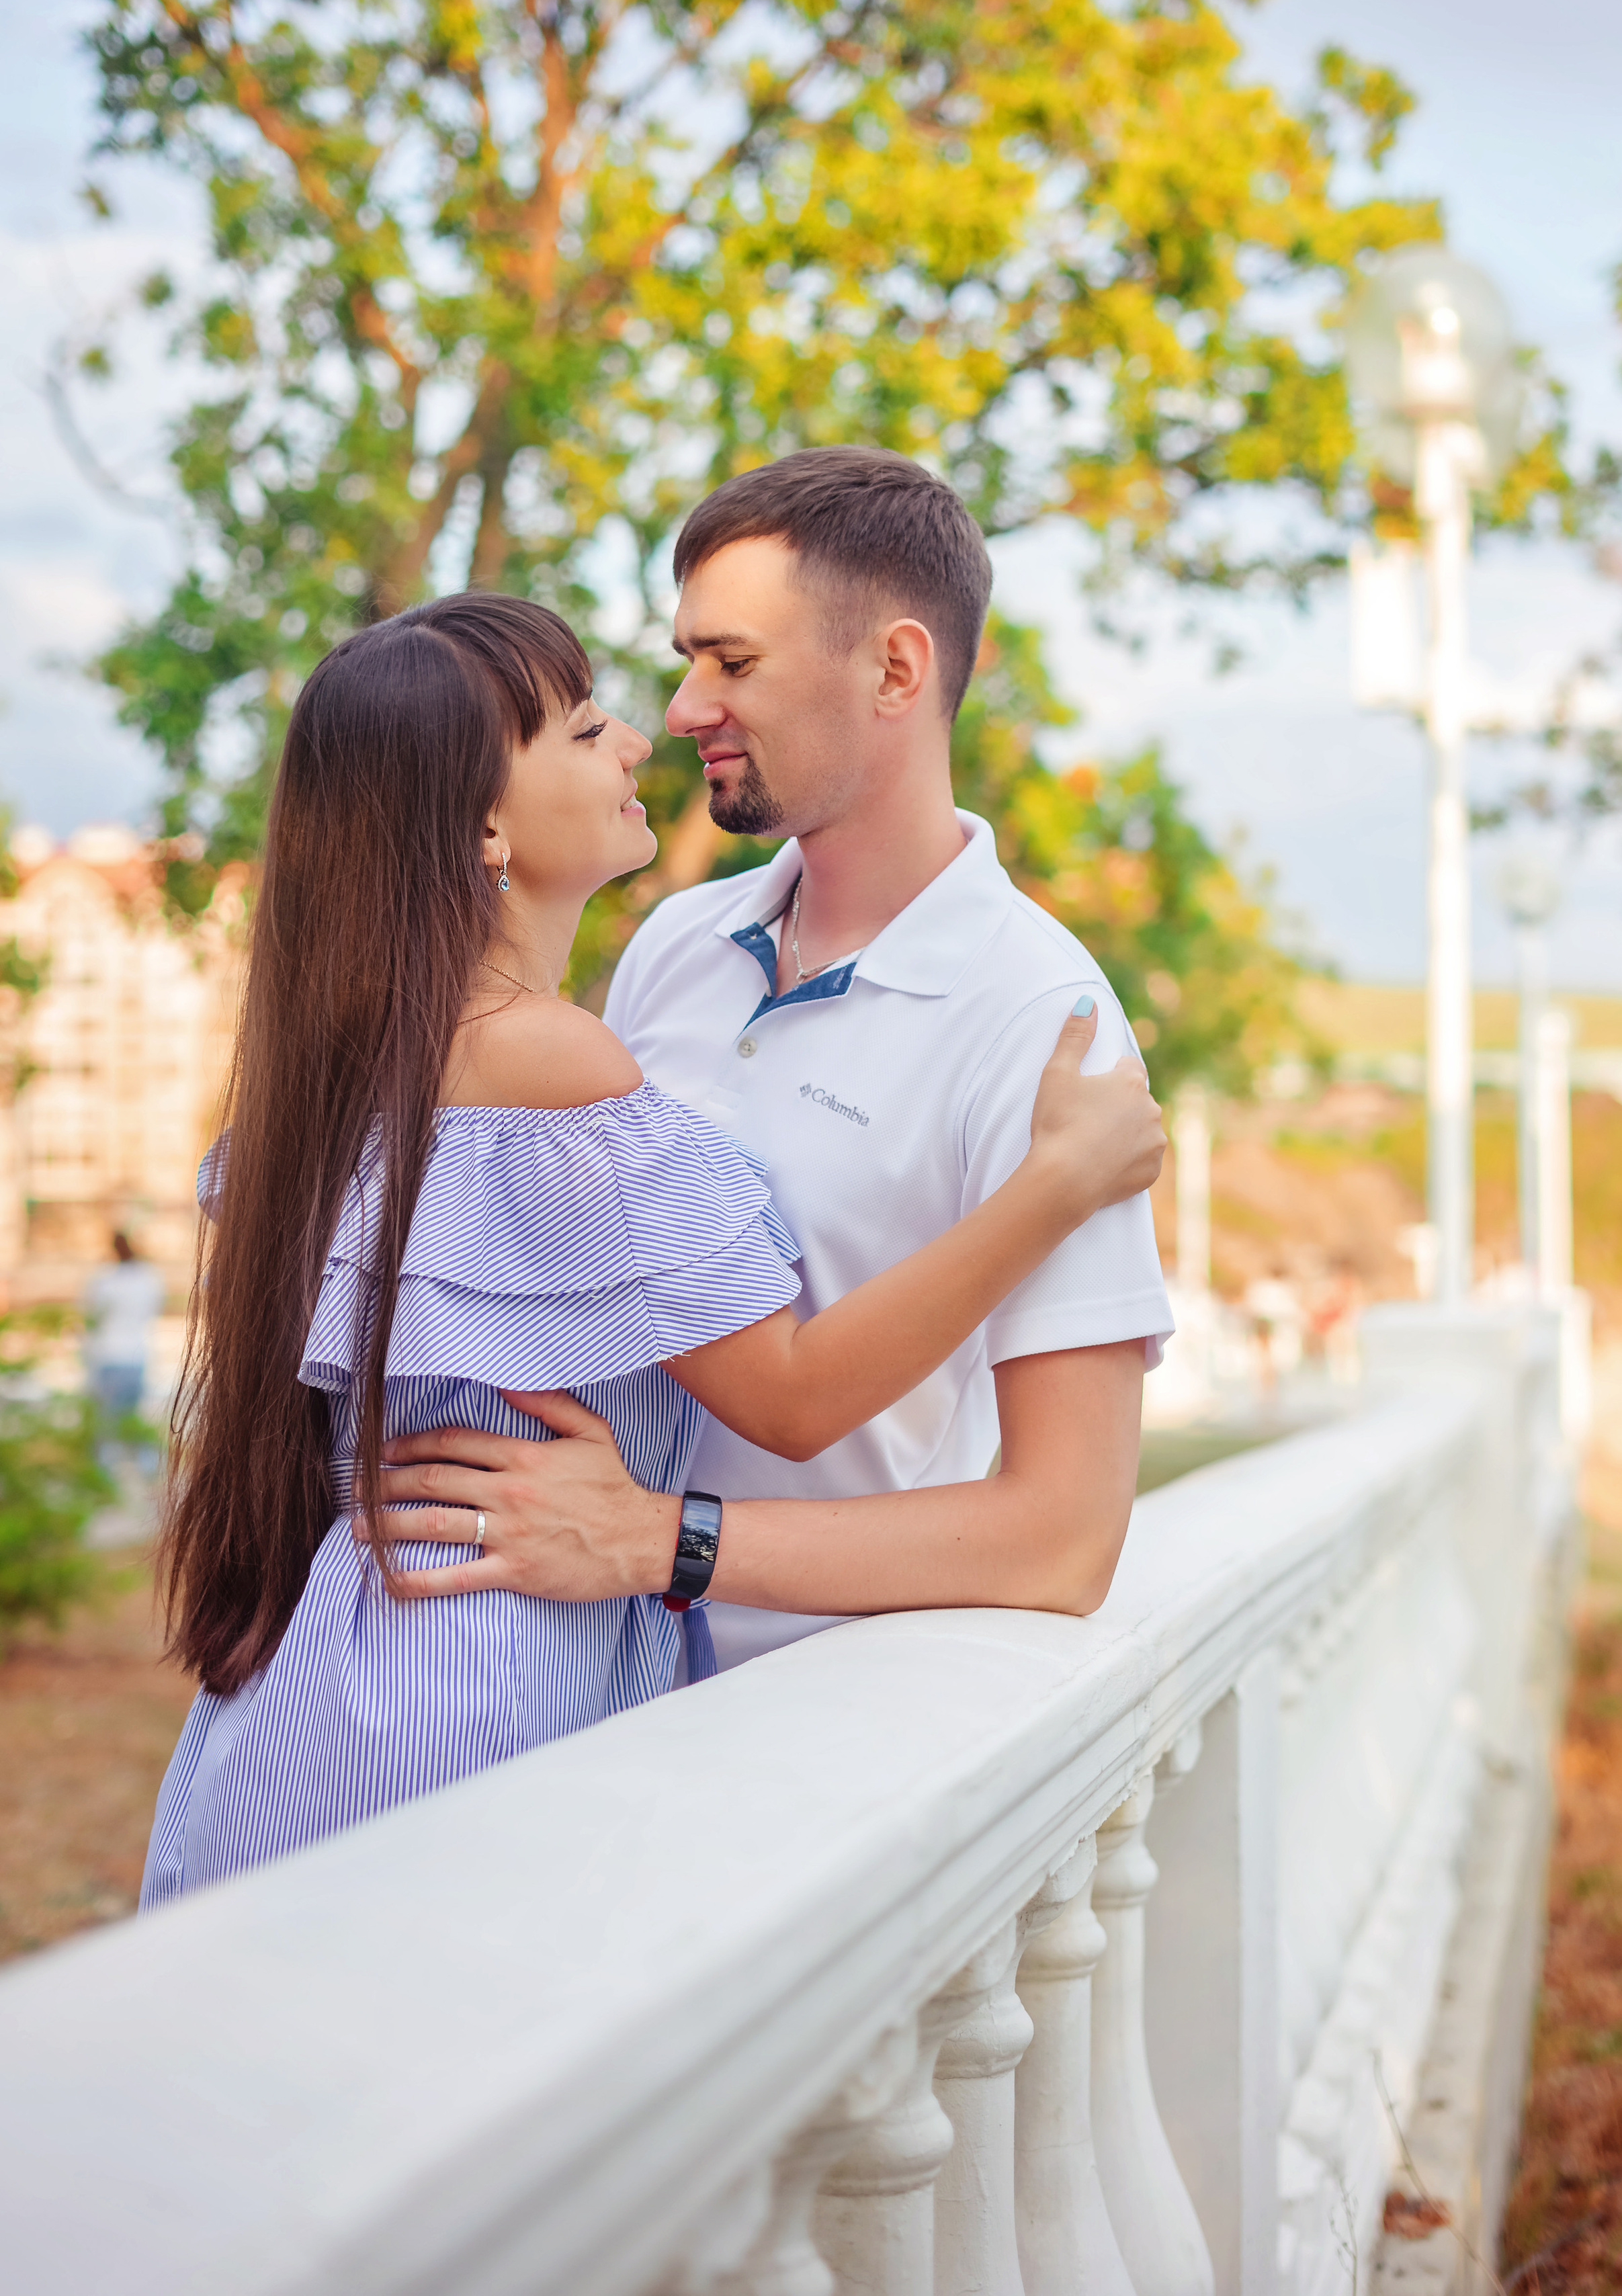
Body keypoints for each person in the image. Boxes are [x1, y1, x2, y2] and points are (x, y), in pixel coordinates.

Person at [140, 593, 1161, 1906]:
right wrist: (1058, 1181)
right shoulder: (548, 1056)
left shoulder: (354, 1052)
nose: (639, 739)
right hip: (475, 1672)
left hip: (332, 1661)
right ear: (488, 826)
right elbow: (788, 1395)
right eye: (579, 729)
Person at [372, 448, 1175, 1664]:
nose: (684, 710)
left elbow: (1061, 1539)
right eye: (690, 658)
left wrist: (667, 1544)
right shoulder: (674, 947)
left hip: (815, 1734)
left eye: (731, 662)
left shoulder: (1045, 1022)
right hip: (568, 1693)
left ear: (895, 669)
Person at [83, 1229, 163, 1431]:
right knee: (133, 1424)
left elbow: (90, 1316)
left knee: (106, 1425)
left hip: (108, 1355)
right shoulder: (148, 1278)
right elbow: (154, 1308)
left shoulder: (104, 1279)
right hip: (136, 1355)